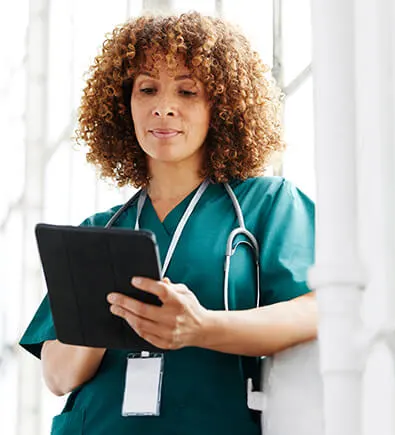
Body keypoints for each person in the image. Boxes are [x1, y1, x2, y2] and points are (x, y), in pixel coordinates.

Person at [19, 11, 317, 435]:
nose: (163, 107)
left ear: (222, 106)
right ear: (125, 106)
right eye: (147, 89)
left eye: (187, 91)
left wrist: (202, 327)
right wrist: (107, 314)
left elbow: (321, 310)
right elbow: (58, 376)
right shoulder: (99, 232)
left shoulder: (266, 206)